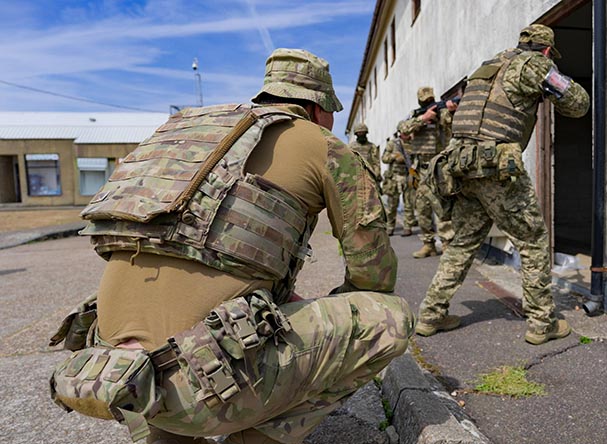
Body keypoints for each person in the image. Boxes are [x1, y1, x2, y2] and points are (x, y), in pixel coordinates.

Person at [48, 48, 413, 444]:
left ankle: (168, 435)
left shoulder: (195, 137)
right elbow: (373, 274)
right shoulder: (323, 143)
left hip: (113, 376)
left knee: (180, 318)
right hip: (195, 384)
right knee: (388, 317)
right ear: (319, 107)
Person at [415, 24, 589, 345]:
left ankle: (430, 315)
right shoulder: (537, 65)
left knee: (463, 243)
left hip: (462, 167)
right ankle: (542, 322)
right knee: (532, 239)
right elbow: (578, 104)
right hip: (496, 168)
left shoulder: (488, 66)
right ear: (547, 49)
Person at [397, 87, 456, 258]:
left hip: (439, 168)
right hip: (419, 170)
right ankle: (428, 244)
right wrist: (423, 118)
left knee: (442, 207)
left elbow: (450, 124)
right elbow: (402, 128)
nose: (428, 104)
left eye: (430, 101)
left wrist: (450, 111)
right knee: (421, 208)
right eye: (425, 102)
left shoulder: (443, 112)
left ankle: (447, 244)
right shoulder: (415, 115)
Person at [381, 132, 417, 236]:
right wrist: (394, 156)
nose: (407, 135)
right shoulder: (393, 144)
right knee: (392, 205)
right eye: (404, 133)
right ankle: (390, 227)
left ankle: (408, 227)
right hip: (394, 178)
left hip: (408, 176)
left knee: (409, 204)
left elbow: (416, 159)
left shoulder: (412, 143)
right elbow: (384, 158)